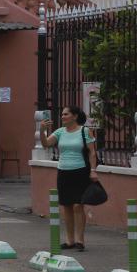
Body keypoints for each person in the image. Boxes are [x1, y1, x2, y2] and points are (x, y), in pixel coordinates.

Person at [40, 106, 99, 251]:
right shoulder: (60, 132)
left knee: (78, 205)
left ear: (75, 116)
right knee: (66, 206)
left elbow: (92, 152)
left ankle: (80, 240)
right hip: (63, 172)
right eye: (62, 114)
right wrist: (42, 130)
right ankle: (70, 240)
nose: (62, 117)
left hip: (80, 172)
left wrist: (93, 170)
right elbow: (46, 144)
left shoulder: (84, 131)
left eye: (66, 114)